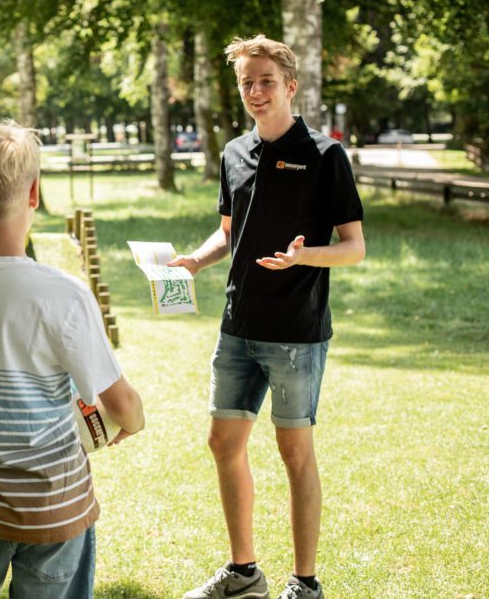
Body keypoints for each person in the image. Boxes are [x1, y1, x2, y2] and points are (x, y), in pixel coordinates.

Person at [172, 35, 365, 599]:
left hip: (296, 335)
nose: (256, 92)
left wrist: (306, 255)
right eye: (246, 83)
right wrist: (195, 262)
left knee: (294, 453)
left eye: (265, 82)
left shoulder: (327, 157)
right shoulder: (235, 153)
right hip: (238, 328)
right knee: (222, 443)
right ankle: (244, 573)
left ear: (290, 86)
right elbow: (230, 232)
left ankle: (305, 584)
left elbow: (354, 247)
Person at [0, 121, 146, 598]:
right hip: (52, 505)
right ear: (34, 194)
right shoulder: (62, 295)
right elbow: (119, 399)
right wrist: (130, 423)